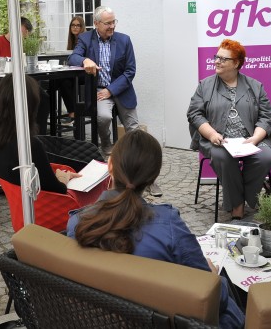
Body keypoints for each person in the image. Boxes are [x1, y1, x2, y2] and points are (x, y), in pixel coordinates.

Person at [67, 130, 244, 328]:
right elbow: (210, 299)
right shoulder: (169, 226)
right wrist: (213, 279)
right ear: (152, 179)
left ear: (110, 166)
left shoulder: (77, 224)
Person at [187, 39, 271, 220]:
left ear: (236, 63)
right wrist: (212, 134)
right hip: (219, 141)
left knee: (265, 157)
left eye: (223, 59)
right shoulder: (205, 86)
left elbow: (267, 117)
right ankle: (237, 205)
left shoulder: (255, 86)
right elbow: (195, 114)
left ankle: (241, 197)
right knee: (223, 157)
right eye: (216, 57)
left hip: (250, 139)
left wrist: (255, 138)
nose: (217, 61)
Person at [68, 7, 155, 192]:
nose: (112, 26)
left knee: (134, 131)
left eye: (114, 22)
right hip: (99, 91)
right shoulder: (85, 38)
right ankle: (107, 149)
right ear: (96, 24)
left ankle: (145, 176)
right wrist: (84, 61)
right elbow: (72, 57)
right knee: (104, 117)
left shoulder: (124, 40)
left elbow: (130, 71)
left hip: (121, 90)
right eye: (108, 23)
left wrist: (111, 90)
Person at [0, 74, 82, 194]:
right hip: (44, 204)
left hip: (19, 200)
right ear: (31, 106)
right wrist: (63, 178)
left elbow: (41, 177)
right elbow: (57, 189)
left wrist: (56, 174)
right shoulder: (30, 145)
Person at [59, 15, 85, 123]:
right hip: (75, 73)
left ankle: (73, 113)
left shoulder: (84, 40)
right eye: (73, 25)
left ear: (82, 27)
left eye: (78, 25)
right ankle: (72, 112)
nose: (75, 28)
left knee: (64, 82)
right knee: (58, 81)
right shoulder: (72, 41)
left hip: (85, 73)